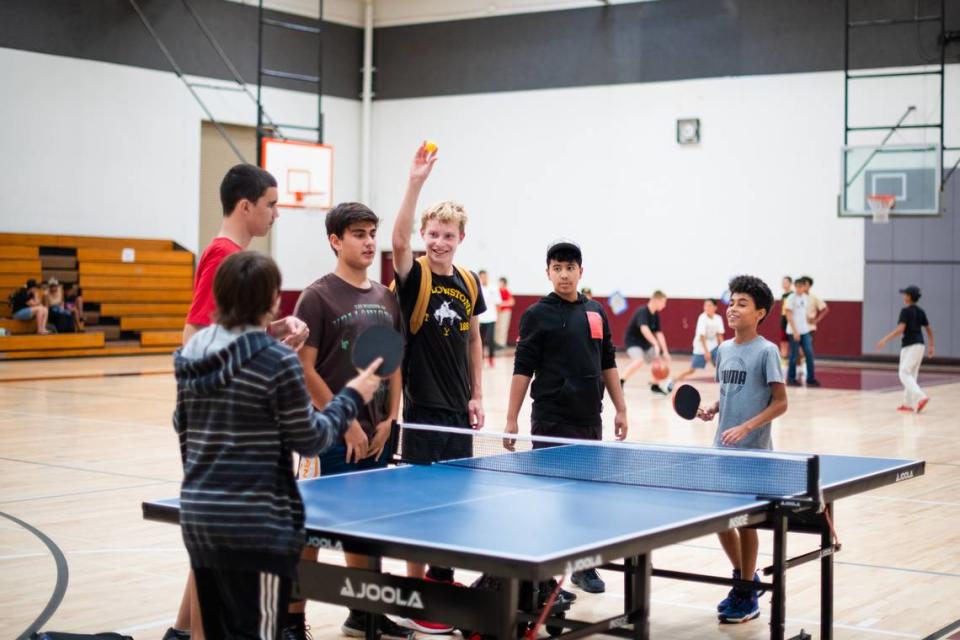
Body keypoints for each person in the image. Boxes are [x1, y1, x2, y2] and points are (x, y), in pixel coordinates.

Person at [174, 251, 383, 640]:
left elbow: (182, 426)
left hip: (201, 511)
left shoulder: (194, 351)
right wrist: (353, 395)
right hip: (257, 519)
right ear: (271, 301)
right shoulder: (275, 361)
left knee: (212, 625)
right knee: (261, 629)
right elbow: (313, 437)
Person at [167, 164, 309, 640]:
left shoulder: (227, 255)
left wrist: (268, 333)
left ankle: (181, 630)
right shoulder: (224, 256)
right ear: (246, 206)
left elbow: (223, 333)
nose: (276, 214)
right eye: (271, 205)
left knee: (211, 547)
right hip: (217, 424)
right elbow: (197, 336)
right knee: (216, 548)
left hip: (216, 420)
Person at [288, 202, 412, 640]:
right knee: (311, 530)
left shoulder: (385, 297)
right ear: (335, 241)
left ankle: (364, 612)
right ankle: (291, 620)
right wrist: (344, 422)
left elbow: (393, 364)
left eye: (372, 233)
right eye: (358, 234)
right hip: (326, 434)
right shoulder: (316, 296)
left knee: (366, 527)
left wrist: (390, 418)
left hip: (376, 434)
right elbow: (304, 370)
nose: (368, 241)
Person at [390, 142, 486, 634]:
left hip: (458, 411)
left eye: (447, 235)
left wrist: (477, 394)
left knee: (453, 505)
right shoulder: (416, 274)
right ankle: (415, 595)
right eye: (433, 234)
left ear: (461, 237)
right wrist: (415, 183)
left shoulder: (468, 282)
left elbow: (473, 339)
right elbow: (400, 244)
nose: (439, 242)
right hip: (423, 408)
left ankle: (441, 583)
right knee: (417, 507)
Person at [504, 240, 627, 595]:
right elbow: (522, 368)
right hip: (551, 419)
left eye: (570, 267)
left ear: (580, 272)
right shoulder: (536, 314)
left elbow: (608, 361)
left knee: (585, 498)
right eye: (557, 268)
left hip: (590, 419)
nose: (563, 274)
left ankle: (583, 568)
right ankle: (544, 574)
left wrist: (621, 408)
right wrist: (511, 418)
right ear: (548, 272)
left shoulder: (595, 312)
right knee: (548, 499)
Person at [697, 275, 787, 624]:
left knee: (747, 524)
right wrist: (713, 408)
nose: (733, 308)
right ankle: (745, 579)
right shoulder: (723, 350)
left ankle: (746, 592)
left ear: (760, 312)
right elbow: (727, 391)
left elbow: (780, 403)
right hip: (721, 450)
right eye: (731, 302)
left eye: (742, 303)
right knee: (720, 520)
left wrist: (748, 426)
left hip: (754, 454)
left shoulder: (766, 352)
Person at [876, 285, 934, 413]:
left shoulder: (905, 311)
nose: (904, 296)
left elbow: (900, 329)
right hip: (920, 345)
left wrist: (885, 339)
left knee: (903, 373)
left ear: (909, 297)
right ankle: (907, 404)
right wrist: (931, 345)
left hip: (910, 346)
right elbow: (928, 328)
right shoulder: (921, 311)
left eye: (905, 294)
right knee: (911, 375)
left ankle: (921, 397)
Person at [620, 291, 671, 394]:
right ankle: (620, 382)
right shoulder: (643, 311)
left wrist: (665, 351)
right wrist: (655, 344)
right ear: (656, 300)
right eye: (663, 302)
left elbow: (659, 333)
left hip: (645, 343)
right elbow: (644, 329)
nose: (664, 305)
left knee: (659, 359)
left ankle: (655, 385)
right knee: (639, 360)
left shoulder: (655, 314)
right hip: (633, 341)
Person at [674, 298, 725, 384]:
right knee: (691, 370)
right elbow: (702, 336)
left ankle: (726, 382)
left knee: (721, 364)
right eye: (705, 305)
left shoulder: (718, 318)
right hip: (701, 347)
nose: (707, 308)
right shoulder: (702, 317)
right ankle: (675, 379)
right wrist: (706, 352)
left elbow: (719, 335)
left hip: (714, 346)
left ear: (715, 307)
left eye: (709, 305)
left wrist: (724, 348)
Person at [784, 277, 820, 387]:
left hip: (805, 331)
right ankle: (791, 378)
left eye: (802, 286)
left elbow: (802, 314)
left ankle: (811, 378)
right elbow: (789, 315)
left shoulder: (805, 298)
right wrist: (795, 332)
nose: (799, 288)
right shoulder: (791, 298)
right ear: (795, 287)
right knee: (794, 355)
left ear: (804, 287)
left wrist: (811, 320)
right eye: (797, 286)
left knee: (809, 354)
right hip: (793, 331)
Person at [478, 270, 499, 366]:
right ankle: (480, 358)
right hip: (481, 318)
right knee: (480, 340)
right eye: (481, 277)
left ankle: (491, 358)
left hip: (491, 318)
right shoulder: (478, 288)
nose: (484, 279)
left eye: (485, 276)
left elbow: (498, 302)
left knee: (490, 339)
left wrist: (497, 316)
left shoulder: (493, 288)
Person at [803, 276, 829, 344]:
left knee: (807, 347)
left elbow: (825, 309)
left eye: (806, 284)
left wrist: (817, 319)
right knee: (799, 350)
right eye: (803, 284)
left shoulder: (813, 297)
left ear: (810, 286)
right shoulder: (796, 297)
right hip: (799, 326)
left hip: (810, 327)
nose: (804, 286)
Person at [495, 276, 515, 347]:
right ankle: (496, 343)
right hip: (498, 311)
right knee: (497, 327)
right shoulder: (497, 291)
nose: (500, 284)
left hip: (506, 312)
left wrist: (502, 303)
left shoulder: (507, 291)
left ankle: (502, 343)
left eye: (501, 282)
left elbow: (512, 302)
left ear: (504, 283)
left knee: (503, 327)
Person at [778, 276, 793, 363]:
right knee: (783, 341)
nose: (784, 284)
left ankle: (797, 363)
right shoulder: (783, 295)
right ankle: (783, 361)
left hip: (790, 319)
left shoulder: (793, 295)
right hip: (784, 319)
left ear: (790, 284)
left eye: (786, 282)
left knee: (793, 342)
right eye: (783, 282)